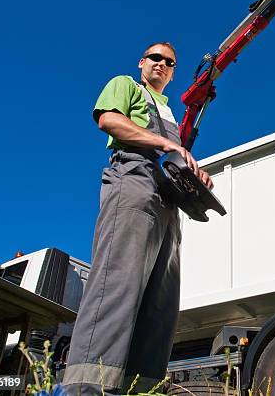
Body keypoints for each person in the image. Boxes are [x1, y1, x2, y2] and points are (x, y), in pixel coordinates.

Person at [62, 42, 212, 395]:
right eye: (155, 57)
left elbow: (175, 153)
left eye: (169, 62)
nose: (161, 63)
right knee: (117, 285)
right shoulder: (126, 85)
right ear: (143, 62)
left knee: (161, 304)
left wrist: (194, 172)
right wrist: (168, 145)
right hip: (133, 183)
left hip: (167, 201)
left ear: (174, 72)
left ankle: (140, 390)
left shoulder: (172, 113)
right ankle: (89, 388)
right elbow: (109, 120)